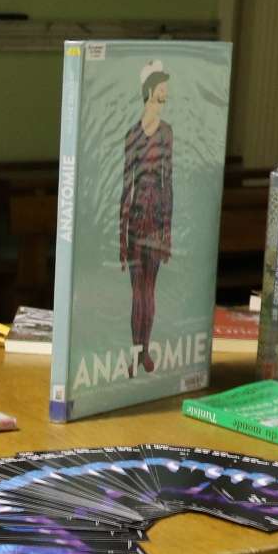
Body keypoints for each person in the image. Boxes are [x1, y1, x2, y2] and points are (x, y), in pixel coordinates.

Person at [120, 61, 175, 375]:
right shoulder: (132, 136)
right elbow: (126, 187)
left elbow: (170, 184)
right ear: (151, 90)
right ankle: (135, 351)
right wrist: (120, 238)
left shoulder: (167, 133)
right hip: (135, 222)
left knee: (149, 293)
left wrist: (167, 233)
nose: (166, 90)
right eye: (162, 84)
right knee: (136, 293)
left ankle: (144, 353)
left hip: (155, 222)